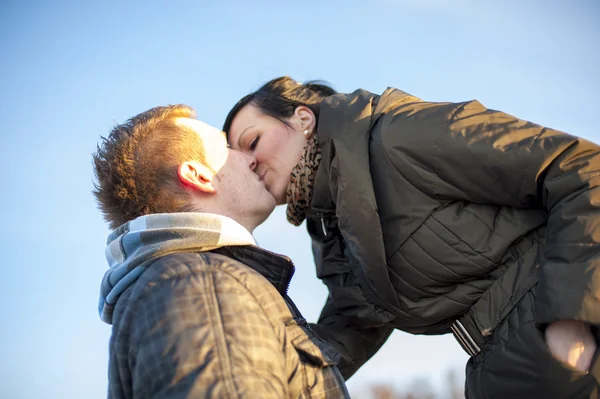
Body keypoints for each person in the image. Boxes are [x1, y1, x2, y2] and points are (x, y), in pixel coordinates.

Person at [223, 77, 600, 398]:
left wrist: (571, 319)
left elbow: (582, 168)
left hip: (574, 349)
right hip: (506, 370)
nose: (248, 161)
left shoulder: (394, 133)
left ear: (303, 118)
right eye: (235, 156)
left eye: (252, 141)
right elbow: (355, 324)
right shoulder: (328, 224)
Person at [92, 104, 350, 399]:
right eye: (227, 148)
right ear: (199, 175)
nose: (250, 159)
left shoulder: (184, 281)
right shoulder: (201, 285)